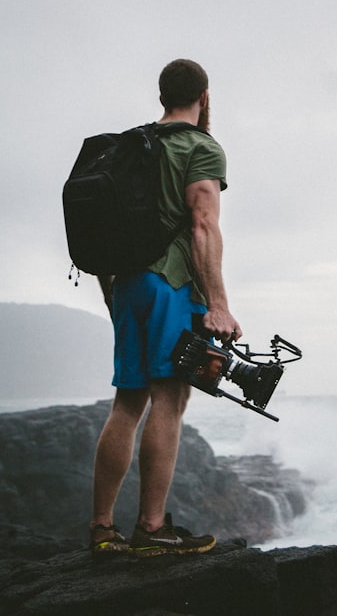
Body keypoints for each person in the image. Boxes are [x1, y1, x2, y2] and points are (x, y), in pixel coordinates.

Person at [88, 59, 242, 557]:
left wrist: (114, 291)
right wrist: (217, 304)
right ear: (204, 94)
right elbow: (202, 225)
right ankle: (152, 529)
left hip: (127, 286)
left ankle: (102, 528)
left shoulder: (131, 146)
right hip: (170, 287)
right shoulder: (199, 147)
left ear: (161, 97)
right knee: (169, 400)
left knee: (127, 403)